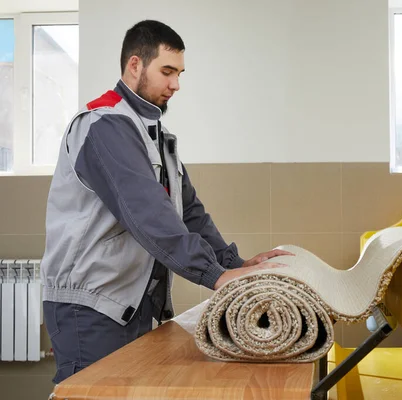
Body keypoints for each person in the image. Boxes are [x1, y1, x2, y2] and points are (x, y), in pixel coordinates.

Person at [40, 19, 292, 384]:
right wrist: (217, 276)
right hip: (90, 308)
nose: (176, 84)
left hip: (130, 307)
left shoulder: (155, 136)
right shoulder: (103, 125)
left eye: (180, 73)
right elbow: (149, 215)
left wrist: (235, 264)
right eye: (167, 71)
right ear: (135, 65)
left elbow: (189, 214)